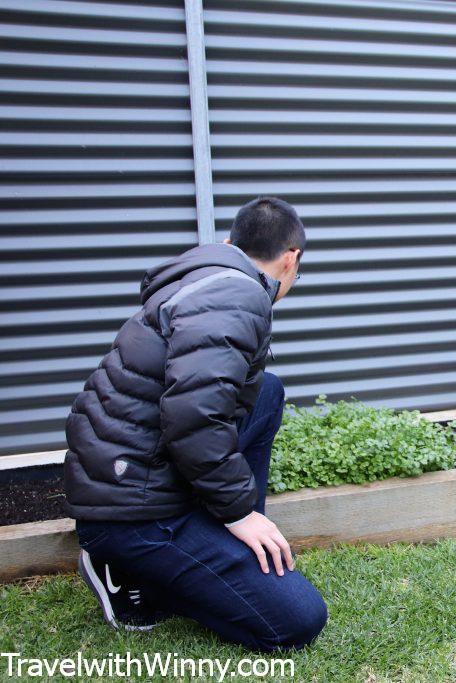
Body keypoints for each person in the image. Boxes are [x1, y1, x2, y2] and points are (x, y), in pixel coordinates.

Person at [63, 197, 328, 651]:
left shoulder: (204, 280)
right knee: (298, 620)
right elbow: (194, 415)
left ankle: (221, 546)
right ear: (291, 259)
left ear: (231, 242)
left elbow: (200, 403)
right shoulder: (238, 294)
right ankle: (124, 570)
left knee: (266, 391)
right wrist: (240, 513)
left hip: (138, 474)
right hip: (131, 509)